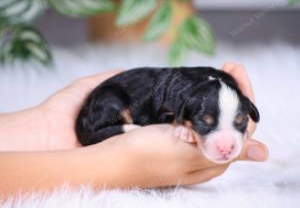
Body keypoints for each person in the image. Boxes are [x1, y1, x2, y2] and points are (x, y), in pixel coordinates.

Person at [0, 63, 268, 198]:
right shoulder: (178, 104)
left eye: (239, 122)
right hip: (109, 106)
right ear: (181, 113)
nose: (227, 143)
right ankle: (112, 128)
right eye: (204, 125)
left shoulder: (201, 94)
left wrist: (44, 125)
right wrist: (112, 164)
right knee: (115, 104)